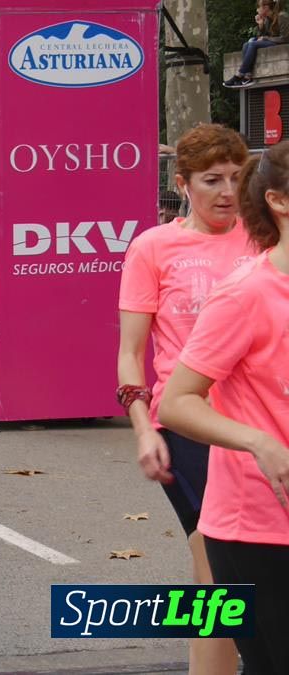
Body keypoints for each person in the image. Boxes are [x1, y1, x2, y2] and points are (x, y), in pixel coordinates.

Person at [118, 124, 250, 674]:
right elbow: (131, 354)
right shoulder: (154, 247)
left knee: (245, 575)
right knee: (214, 573)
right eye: (212, 180)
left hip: (261, 425)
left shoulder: (268, 241)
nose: (227, 191)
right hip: (190, 426)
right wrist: (144, 427)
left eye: (238, 178)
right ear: (182, 184)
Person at [159, 140, 289, 675]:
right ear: (280, 202)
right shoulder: (247, 293)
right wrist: (259, 441)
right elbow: (177, 402)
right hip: (257, 527)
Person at [224, 0, 289, 88]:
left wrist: (265, 38)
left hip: (281, 43)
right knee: (247, 44)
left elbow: (285, 38)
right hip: (273, 42)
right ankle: (247, 76)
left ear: (265, 8)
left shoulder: (282, 16)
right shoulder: (267, 19)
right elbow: (261, 37)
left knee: (253, 44)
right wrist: (261, 26)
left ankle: (239, 74)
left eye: (259, 7)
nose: (257, 10)